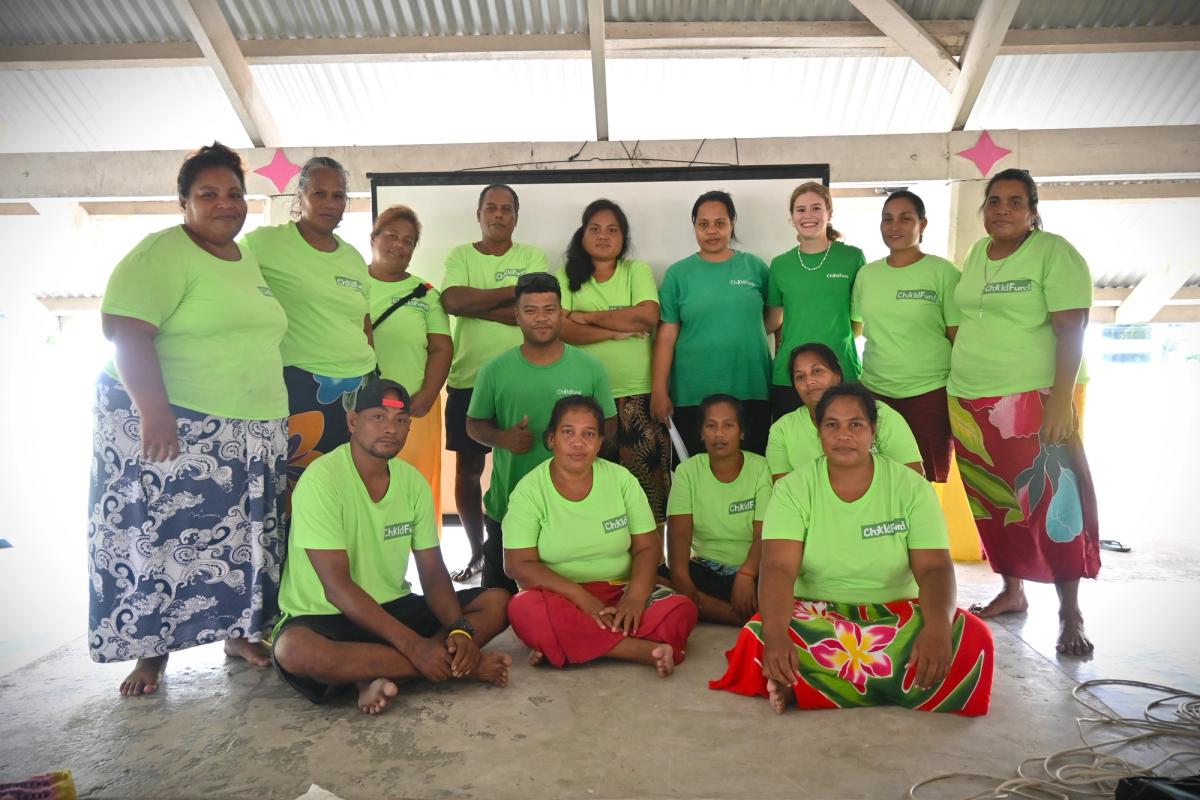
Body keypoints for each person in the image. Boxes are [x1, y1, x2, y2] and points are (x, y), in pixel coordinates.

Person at [89, 142, 289, 696]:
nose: (225, 203)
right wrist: (155, 413)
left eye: (234, 194)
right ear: (183, 202)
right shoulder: (162, 253)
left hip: (249, 427)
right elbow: (125, 330)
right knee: (162, 537)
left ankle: (239, 633)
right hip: (181, 425)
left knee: (241, 542)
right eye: (209, 194)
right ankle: (151, 654)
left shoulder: (243, 257)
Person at [711, 384, 994, 715]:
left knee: (974, 639)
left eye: (855, 424)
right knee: (758, 635)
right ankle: (889, 684)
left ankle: (809, 687)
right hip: (817, 614)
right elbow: (778, 568)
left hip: (896, 613)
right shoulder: (792, 489)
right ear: (819, 433)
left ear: (873, 431)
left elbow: (934, 567)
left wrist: (937, 629)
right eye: (832, 425)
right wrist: (775, 636)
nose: (843, 435)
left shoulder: (912, 487)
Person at [271, 380, 512, 714]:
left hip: (392, 607)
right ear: (353, 421)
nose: (391, 428)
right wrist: (415, 647)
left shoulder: (412, 482)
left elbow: (432, 571)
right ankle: (454, 667)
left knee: (497, 602)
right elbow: (337, 588)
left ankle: (375, 673)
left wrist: (459, 628)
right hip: (326, 614)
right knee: (295, 651)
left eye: (401, 421)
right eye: (378, 417)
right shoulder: (322, 481)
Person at [948, 168, 1100, 656]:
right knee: (995, 504)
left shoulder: (1054, 252)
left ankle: (1070, 611)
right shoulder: (978, 252)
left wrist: (1060, 399)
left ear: (1033, 210)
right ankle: (1012, 591)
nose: (1003, 210)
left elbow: (1072, 327)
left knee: (1055, 502)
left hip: (1031, 400)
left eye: (1016, 202)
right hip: (969, 399)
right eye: (995, 201)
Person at [504, 395, 699, 674]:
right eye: (568, 432)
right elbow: (517, 564)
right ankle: (639, 650)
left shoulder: (621, 480)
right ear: (551, 439)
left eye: (589, 434)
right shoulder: (529, 490)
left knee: (681, 609)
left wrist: (634, 598)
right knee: (523, 609)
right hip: (558, 597)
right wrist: (581, 597)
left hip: (619, 590)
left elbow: (648, 547)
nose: (578, 442)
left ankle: (566, 645)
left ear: (599, 443)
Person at [466, 271, 616, 594]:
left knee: (571, 604)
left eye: (549, 309)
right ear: (516, 315)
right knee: (499, 603)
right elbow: (473, 424)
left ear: (561, 313)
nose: (541, 318)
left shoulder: (590, 368)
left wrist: (580, 442)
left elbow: (610, 425)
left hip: (574, 509)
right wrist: (502, 438)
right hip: (508, 508)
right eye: (531, 310)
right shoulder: (494, 370)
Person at [241, 156, 376, 493]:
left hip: (360, 387)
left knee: (349, 488)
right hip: (302, 385)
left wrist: (373, 372)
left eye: (338, 195)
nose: (330, 203)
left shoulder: (353, 257)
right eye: (320, 194)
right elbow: (226, 280)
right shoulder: (264, 243)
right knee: (303, 489)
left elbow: (363, 321)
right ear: (299, 197)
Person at [441, 185, 550, 581]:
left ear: (516, 217)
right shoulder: (460, 255)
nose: (498, 215)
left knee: (528, 464)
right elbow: (453, 301)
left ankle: (528, 551)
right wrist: (513, 295)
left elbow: (537, 309)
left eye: (506, 209)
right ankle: (477, 553)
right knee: (469, 470)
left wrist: (479, 304)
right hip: (468, 379)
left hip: (523, 379)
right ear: (479, 214)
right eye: (491, 208)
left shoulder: (532, 256)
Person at [558, 199, 670, 523]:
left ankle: (651, 553)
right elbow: (563, 330)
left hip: (639, 396)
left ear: (624, 237)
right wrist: (616, 331)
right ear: (582, 234)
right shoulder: (566, 276)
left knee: (647, 493)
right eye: (595, 229)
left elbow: (647, 316)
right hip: (586, 400)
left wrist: (586, 316)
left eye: (612, 230)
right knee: (595, 489)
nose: (603, 236)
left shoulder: (636, 271)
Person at [851, 190, 962, 482]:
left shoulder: (943, 272)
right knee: (877, 480)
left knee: (925, 483)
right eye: (887, 219)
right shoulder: (867, 275)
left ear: (922, 224)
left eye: (905, 218)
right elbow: (856, 328)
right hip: (875, 392)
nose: (894, 226)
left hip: (929, 394)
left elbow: (959, 338)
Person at [652, 190, 771, 457]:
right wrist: (659, 390)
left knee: (753, 469)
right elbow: (666, 337)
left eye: (720, 223)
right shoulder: (678, 274)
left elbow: (772, 318)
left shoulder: (755, 267)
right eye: (703, 224)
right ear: (694, 226)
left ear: (733, 223)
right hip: (693, 392)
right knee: (697, 472)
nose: (712, 231)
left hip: (751, 387)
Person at [367, 205, 452, 529]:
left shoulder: (426, 294)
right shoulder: (351, 284)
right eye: (392, 236)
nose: (399, 245)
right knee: (366, 489)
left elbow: (442, 347)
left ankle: (416, 555)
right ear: (374, 237)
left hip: (415, 409)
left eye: (408, 241)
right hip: (360, 408)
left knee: (413, 488)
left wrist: (427, 396)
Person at [661, 394, 773, 625]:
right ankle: (744, 617)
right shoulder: (688, 471)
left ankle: (707, 608)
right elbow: (679, 533)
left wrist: (746, 574)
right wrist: (681, 577)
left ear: (741, 432)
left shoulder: (761, 468)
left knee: (780, 583)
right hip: (706, 568)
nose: (719, 433)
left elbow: (763, 535)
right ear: (701, 433)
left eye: (728, 425)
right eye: (711, 426)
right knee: (655, 579)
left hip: (752, 569)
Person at [766, 182, 867, 419]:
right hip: (791, 375)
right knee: (791, 440)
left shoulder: (852, 257)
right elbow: (772, 321)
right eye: (800, 210)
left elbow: (858, 322)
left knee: (843, 440)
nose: (808, 215)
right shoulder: (780, 265)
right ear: (792, 217)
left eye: (816, 208)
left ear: (829, 213)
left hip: (841, 370)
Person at [766, 343, 923, 481]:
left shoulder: (880, 414)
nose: (809, 381)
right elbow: (783, 490)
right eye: (800, 377)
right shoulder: (782, 430)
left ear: (837, 374)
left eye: (817, 371)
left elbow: (914, 478)